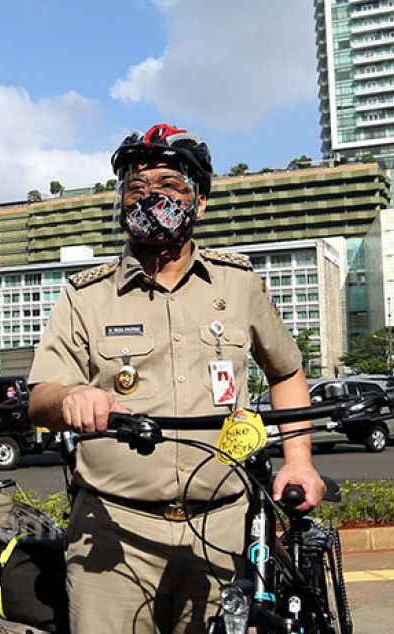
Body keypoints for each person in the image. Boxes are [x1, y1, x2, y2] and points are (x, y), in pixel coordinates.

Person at [28, 124, 325, 633]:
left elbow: (288, 370)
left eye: (169, 186)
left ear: (200, 202)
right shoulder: (85, 294)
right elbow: (42, 396)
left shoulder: (239, 284)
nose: (150, 198)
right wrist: (74, 396)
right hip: (112, 532)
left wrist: (299, 461)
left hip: (224, 525)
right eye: (136, 189)